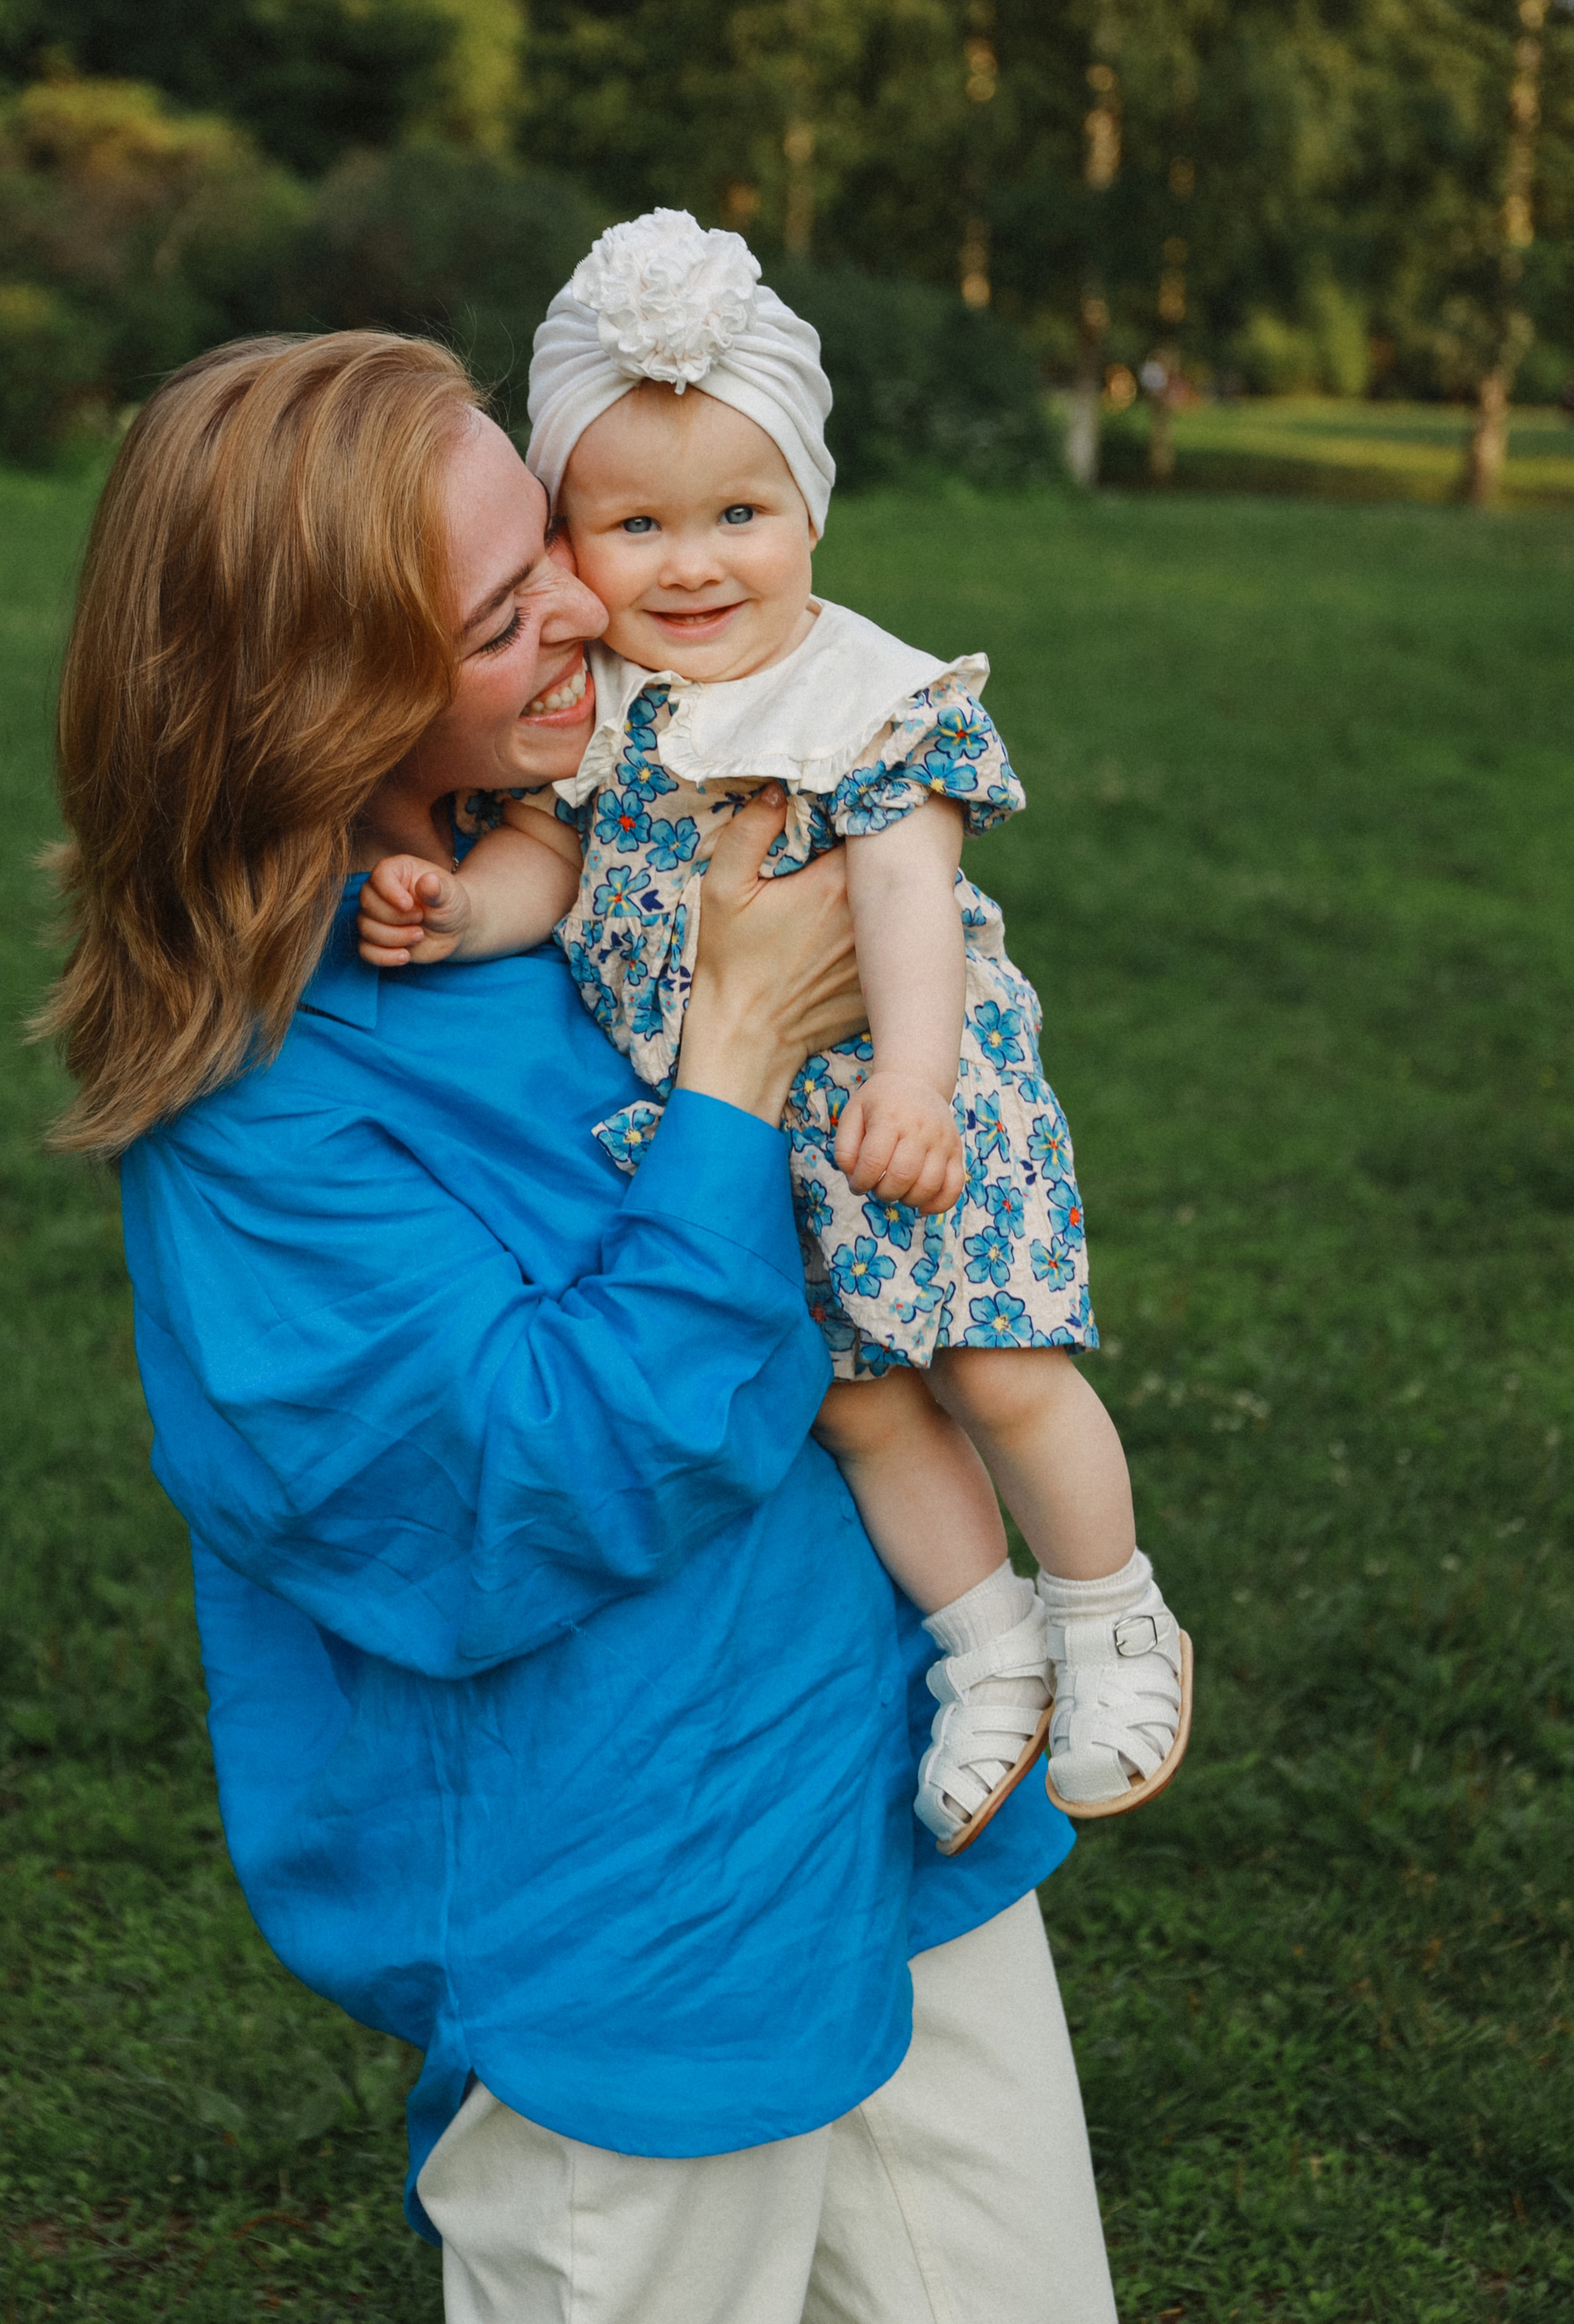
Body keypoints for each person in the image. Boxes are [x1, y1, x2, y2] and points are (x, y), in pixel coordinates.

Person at [39, 327, 1118, 2323]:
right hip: (642, 1913)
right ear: (316, 695)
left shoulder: (560, 847)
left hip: (889, 1805)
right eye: (491, 614)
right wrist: (735, 1050)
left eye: (546, 541)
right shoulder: (262, 1112)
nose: (589, 607)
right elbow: (532, 1480)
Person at [361, 212, 1189, 1858]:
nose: (690, 564)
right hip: (728, 1121)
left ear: (808, 508)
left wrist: (913, 1079)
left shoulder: (861, 695)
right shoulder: (599, 714)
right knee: (851, 1401)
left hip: (901, 1089)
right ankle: (986, 1651)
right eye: (634, 525)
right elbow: (547, 854)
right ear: (565, 541)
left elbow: (902, 889)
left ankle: (1111, 1617)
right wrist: (464, 914)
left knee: (996, 1369)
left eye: (740, 515)